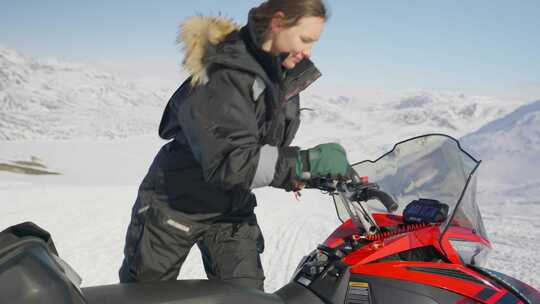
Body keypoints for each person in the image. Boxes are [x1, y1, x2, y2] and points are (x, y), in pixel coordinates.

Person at [118, 0, 350, 291]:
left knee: (248, 297)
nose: (308, 52)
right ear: (277, 23)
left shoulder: (279, 76)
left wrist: (308, 173)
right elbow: (229, 161)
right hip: (177, 205)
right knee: (144, 296)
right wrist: (303, 163)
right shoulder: (224, 73)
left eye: (314, 42)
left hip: (231, 208)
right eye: (305, 39)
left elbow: (258, 147)